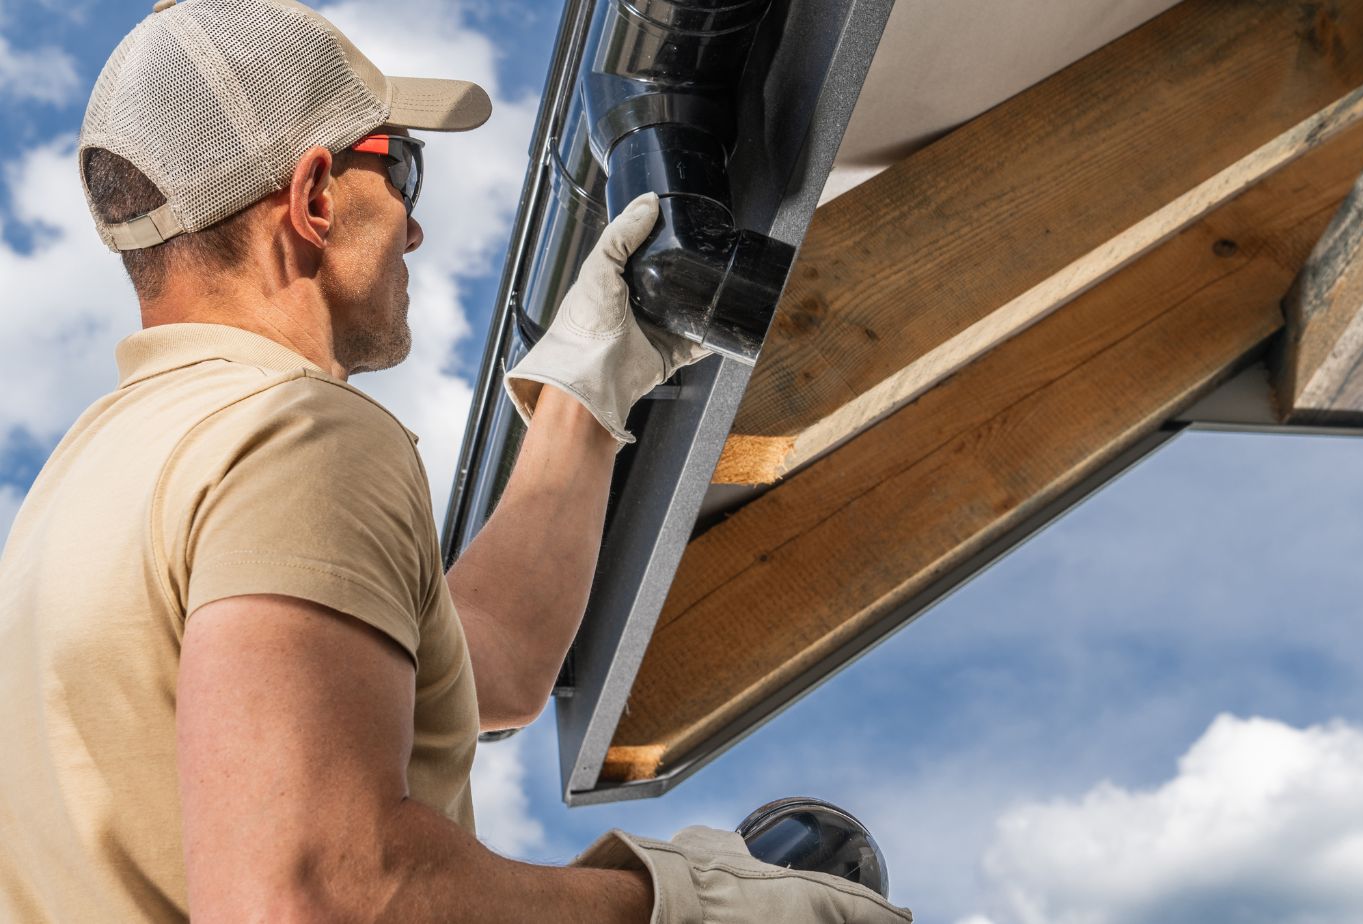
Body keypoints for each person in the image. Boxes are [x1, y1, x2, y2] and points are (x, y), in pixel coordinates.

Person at [0, 1, 912, 922]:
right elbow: (320, 892)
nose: (416, 229)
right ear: (315, 197)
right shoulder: (293, 438)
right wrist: (694, 907)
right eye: (402, 168)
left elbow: (484, 666)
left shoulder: (77, 499)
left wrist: (588, 387)